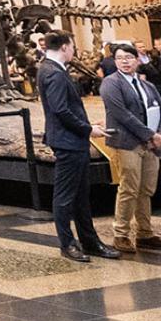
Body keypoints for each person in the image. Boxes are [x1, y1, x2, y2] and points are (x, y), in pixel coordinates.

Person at [37, 31, 118, 263]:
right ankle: (68, 243)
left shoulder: (52, 69)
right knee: (64, 197)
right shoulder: (53, 73)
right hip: (67, 142)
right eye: (72, 46)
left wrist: (87, 125)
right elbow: (60, 109)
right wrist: (87, 129)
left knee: (81, 195)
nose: (74, 50)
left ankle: (90, 241)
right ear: (64, 47)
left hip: (73, 140)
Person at [99, 43, 161, 254]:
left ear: (137, 59)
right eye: (120, 58)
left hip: (150, 146)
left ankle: (145, 232)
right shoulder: (110, 84)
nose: (125, 61)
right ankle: (121, 234)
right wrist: (150, 134)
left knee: (146, 189)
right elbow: (122, 114)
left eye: (129, 57)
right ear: (115, 62)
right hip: (127, 143)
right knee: (129, 188)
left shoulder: (147, 85)